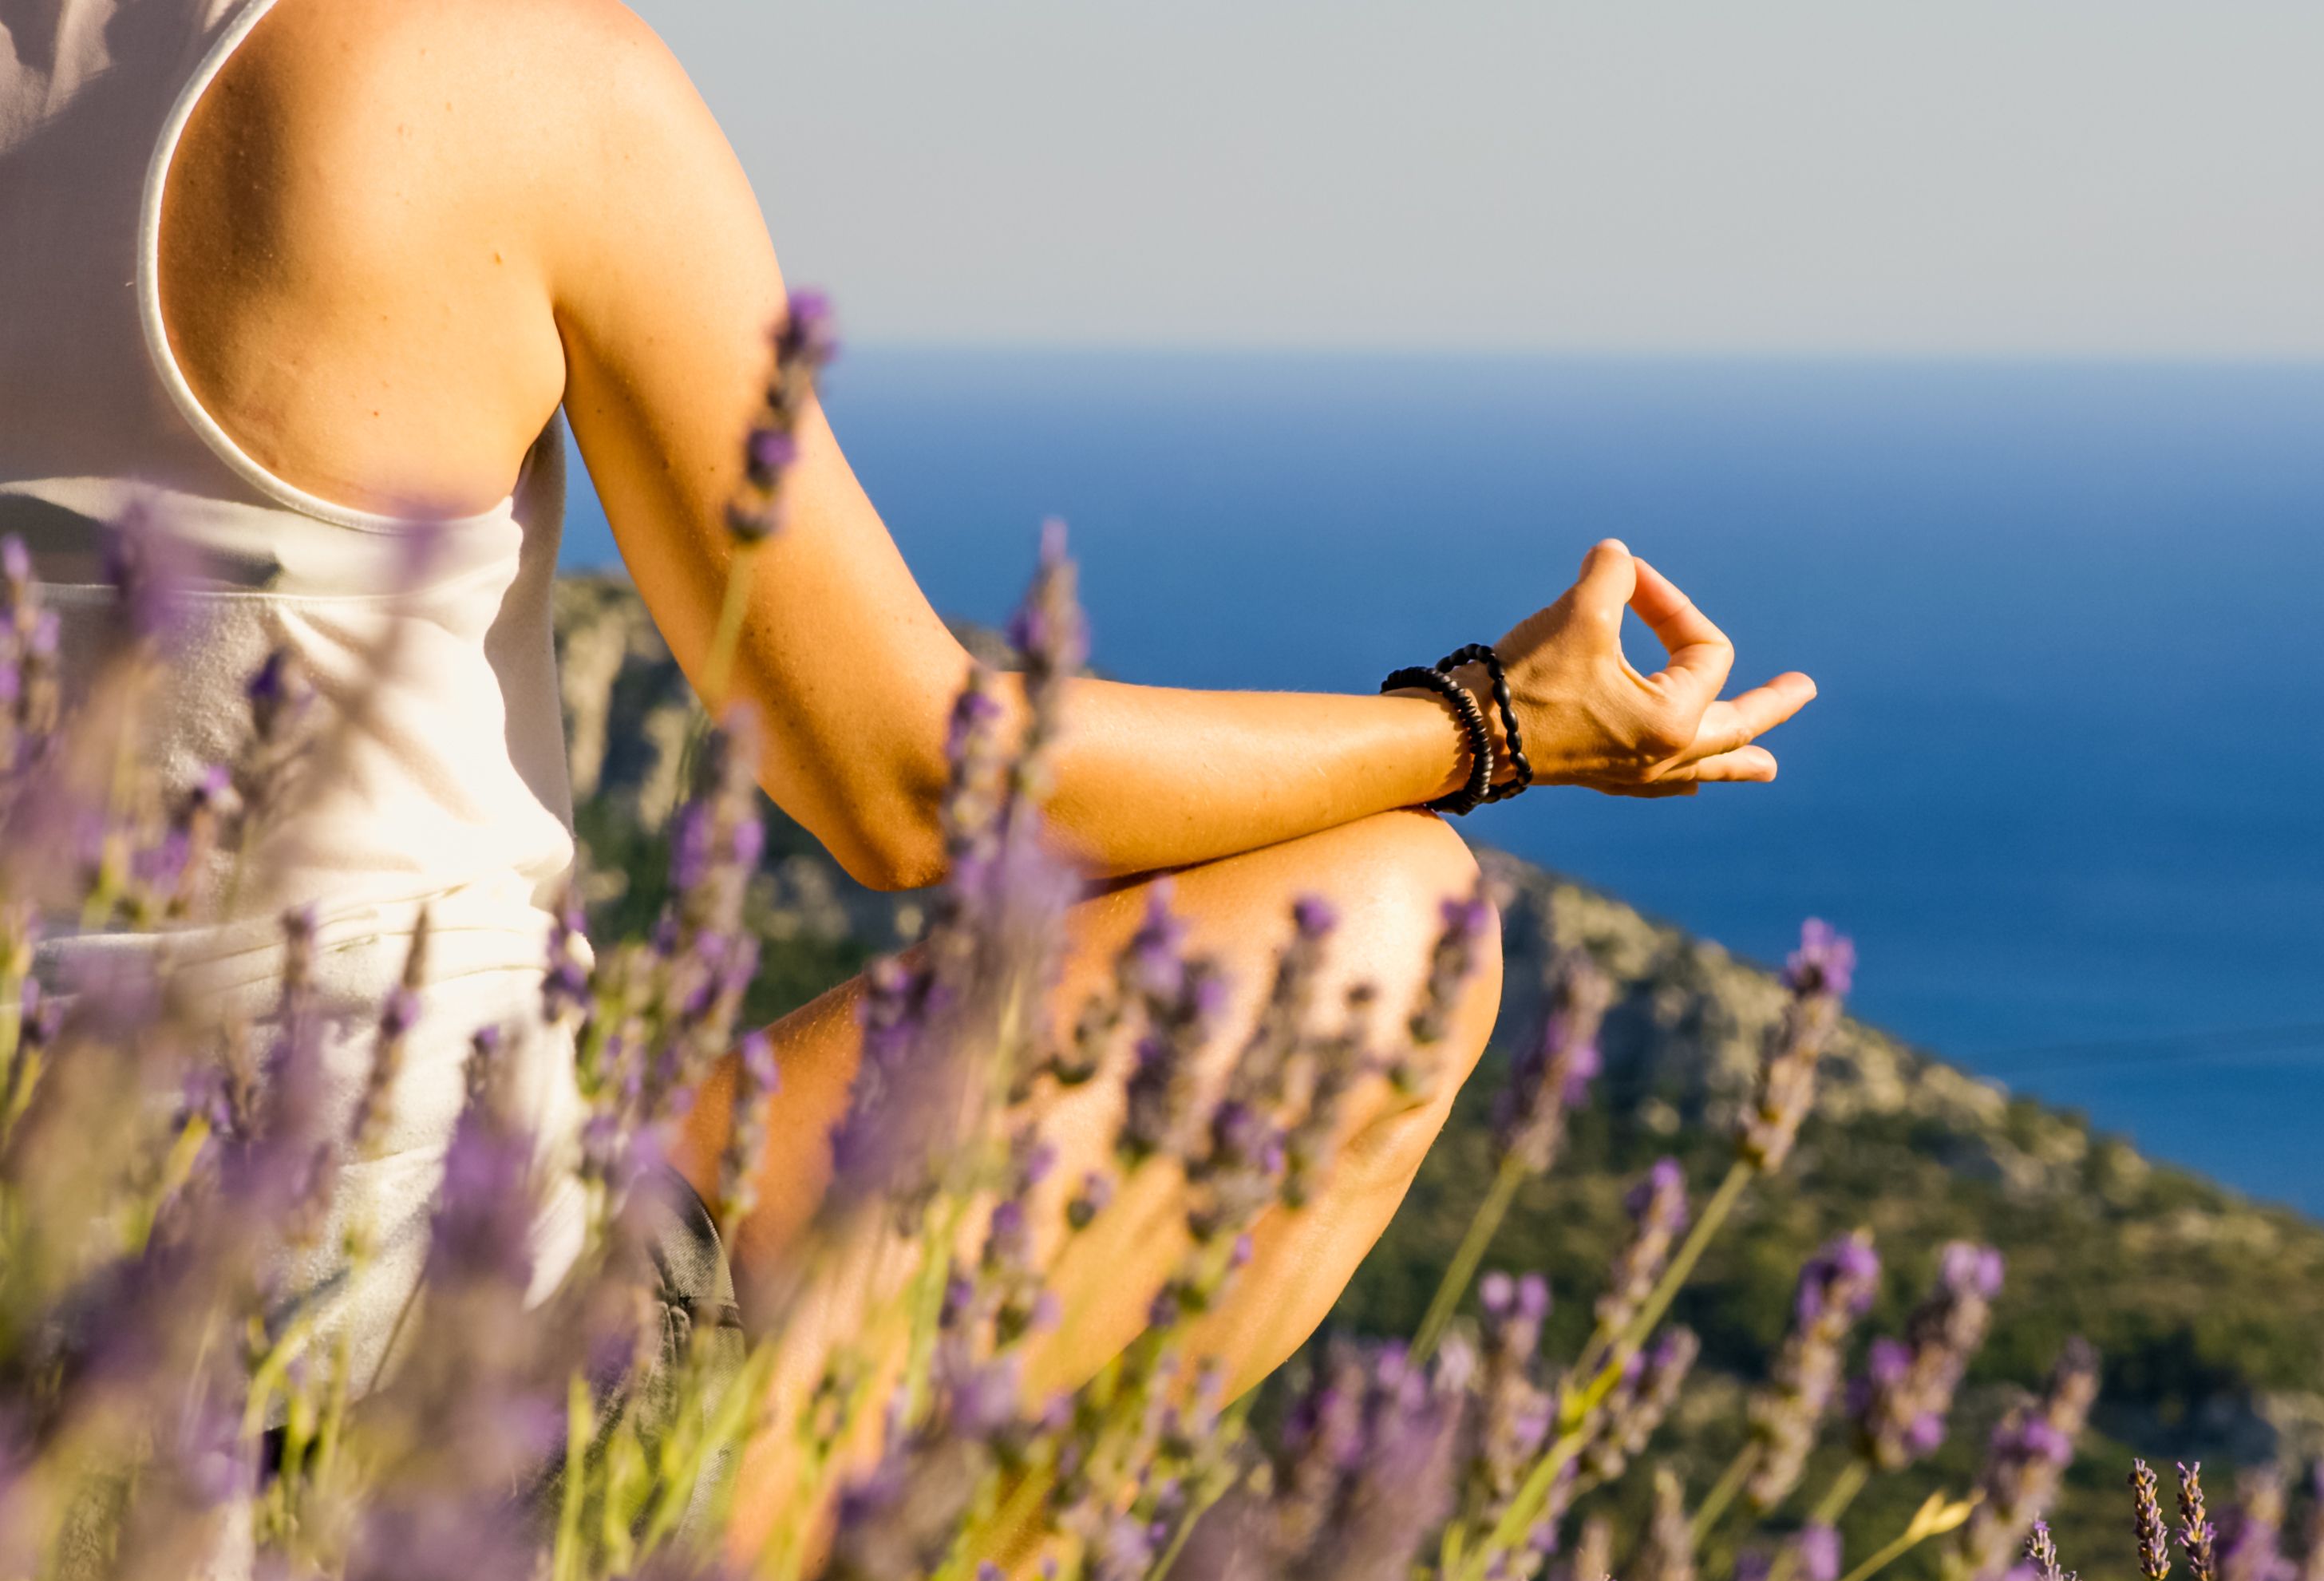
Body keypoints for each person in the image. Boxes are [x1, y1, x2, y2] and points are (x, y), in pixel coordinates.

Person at [0, 0, 1812, 1458]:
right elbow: (915, 789)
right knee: (1392, 932)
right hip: (415, 1397)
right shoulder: (506, 78)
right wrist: (1492, 723)